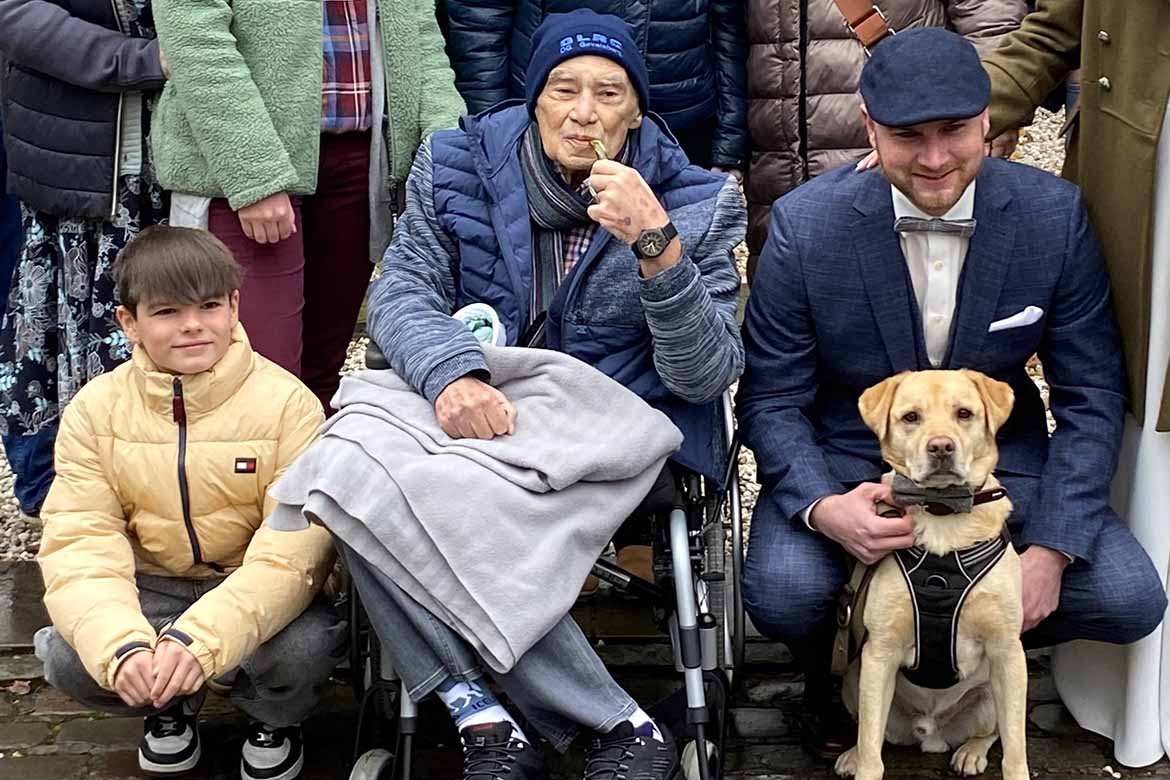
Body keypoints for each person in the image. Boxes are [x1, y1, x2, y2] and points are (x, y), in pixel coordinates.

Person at [737, 27, 1166, 760]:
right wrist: (824, 506)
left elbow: (1091, 396)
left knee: (1129, 598)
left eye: (955, 133)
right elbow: (771, 398)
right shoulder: (806, 228)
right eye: (908, 137)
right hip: (854, 467)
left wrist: (1052, 553)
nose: (936, 160)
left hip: (1000, 477)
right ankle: (834, 674)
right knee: (781, 591)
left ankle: (975, 662)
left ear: (990, 122)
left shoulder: (1052, 217)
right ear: (869, 128)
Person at [347, 10, 745, 778]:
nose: (584, 112)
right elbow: (401, 293)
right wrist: (452, 373)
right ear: (534, 100)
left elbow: (705, 374)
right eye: (563, 89)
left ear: (638, 110)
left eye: (608, 92)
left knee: (420, 500)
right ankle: (491, 715)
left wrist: (656, 244)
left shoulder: (697, 199)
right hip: (482, 408)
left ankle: (547, 716)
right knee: (350, 473)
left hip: (609, 421)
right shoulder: (454, 162)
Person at [33, 227, 343, 780]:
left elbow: (294, 552)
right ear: (129, 322)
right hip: (151, 585)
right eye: (168, 312)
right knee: (67, 653)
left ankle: (273, 716)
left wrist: (200, 640)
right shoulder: (94, 411)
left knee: (308, 646)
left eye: (208, 306)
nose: (194, 325)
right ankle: (168, 702)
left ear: (234, 306)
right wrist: (123, 647)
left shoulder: (288, 405)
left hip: (246, 580)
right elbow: (81, 540)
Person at [982, 0, 1170, 765]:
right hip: (1148, 161)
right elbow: (1056, 27)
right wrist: (956, 117)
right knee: (1138, 390)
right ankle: (1139, 690)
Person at [150, 0, 465, 412]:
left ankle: (312, 471)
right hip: (244, 173)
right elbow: (195, 39)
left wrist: (447, 154)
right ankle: (250, 476)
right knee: (255, 372)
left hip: (360, 162)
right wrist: (254, 174)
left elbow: (420, 34)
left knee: (323, 370)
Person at [0, 0, 170, 520]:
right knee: (58, 319)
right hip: (79, 151)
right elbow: (18, 14)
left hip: (179, 151)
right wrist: (144, 60)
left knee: (171, 313)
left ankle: (159, 487)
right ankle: (57, 487)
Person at [743, 0, 1026, 280]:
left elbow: (990, 18)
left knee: (920, 300)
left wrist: (975, 121)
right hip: (774, 163)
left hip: (902, 153)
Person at [442, 0, 747, 173]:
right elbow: (480, 24)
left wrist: (728, 147)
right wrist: (493, 134)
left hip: (682, 123)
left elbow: (729, 25)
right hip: (548, 124)